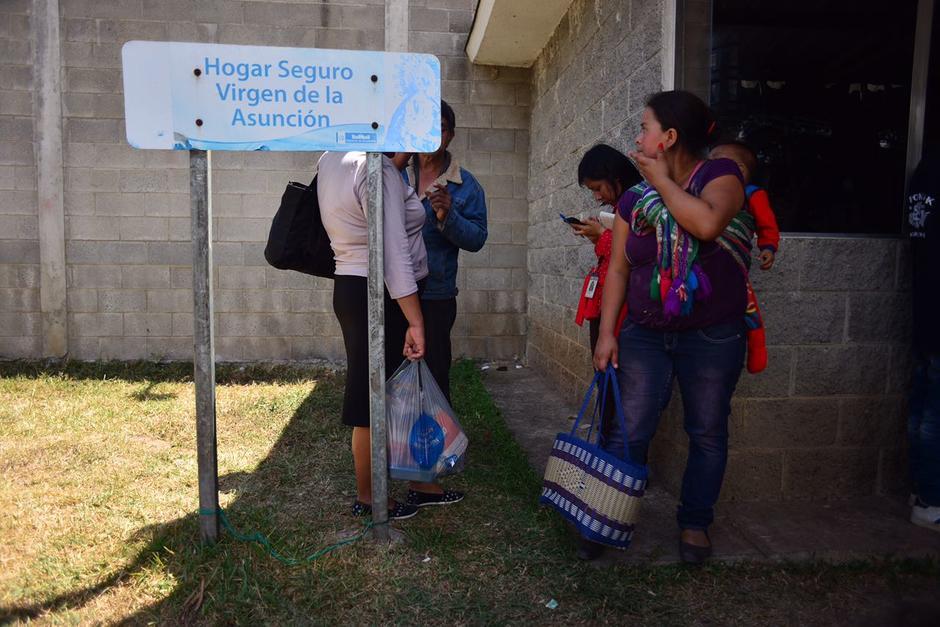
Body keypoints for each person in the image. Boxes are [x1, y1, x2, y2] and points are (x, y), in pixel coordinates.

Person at [593, 90, 755, 564]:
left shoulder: (721, 176)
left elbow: (705, 224)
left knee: (706, 430)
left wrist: (662, 181)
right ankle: (608, 516)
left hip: (712, 335)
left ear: (669, 137)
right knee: (629, 429)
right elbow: (620, 269)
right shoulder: (632, 200)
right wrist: (607, 333)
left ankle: (695, 524)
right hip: (643, 333)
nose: (637, 137)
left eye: (644, 127)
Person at [318, 150, 427, 521]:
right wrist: (416, 319)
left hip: (349, 284)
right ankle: (368, 496)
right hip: (375, 290)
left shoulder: (331, 157)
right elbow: (392, 253)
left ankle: (376, 487)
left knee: (369, 389)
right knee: (369, 397)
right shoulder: (374, 166)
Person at [569, 143, 641, 561]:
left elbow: (624, 261)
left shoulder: (639, 205)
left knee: (618, 413)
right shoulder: (621, 209)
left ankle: (609, 510)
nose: (596, 196)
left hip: (625, 323)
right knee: (609, 405)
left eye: (598, 187)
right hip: (607, 320)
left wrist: (603, 238)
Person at [403, 100, 488, 407]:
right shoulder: (395, 171)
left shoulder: (465, 185)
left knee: (435, 375)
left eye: (439, 129)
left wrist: (447, 216)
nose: (431, 136)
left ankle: (437, 446)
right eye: (425, 128)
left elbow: (478, 238)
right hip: (394, 291)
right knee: (394, 370)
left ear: (451, 135)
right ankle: (397, 441)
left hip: (435, 294)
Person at [709, 141, 782, 373]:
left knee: (749, 307)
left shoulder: (752, 195)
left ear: (739, 169)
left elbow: (767, 224)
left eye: (714, 163)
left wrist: (768, 248)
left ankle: (758, 355)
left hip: (733, 266)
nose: (707, 168)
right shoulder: (706, 193)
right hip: (708, 263)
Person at [907, 149, 940, 532]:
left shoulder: (925, 169)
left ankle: (921, 491)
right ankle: (931, 499)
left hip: (925, 309)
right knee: (934, 413)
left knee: (923, 403)